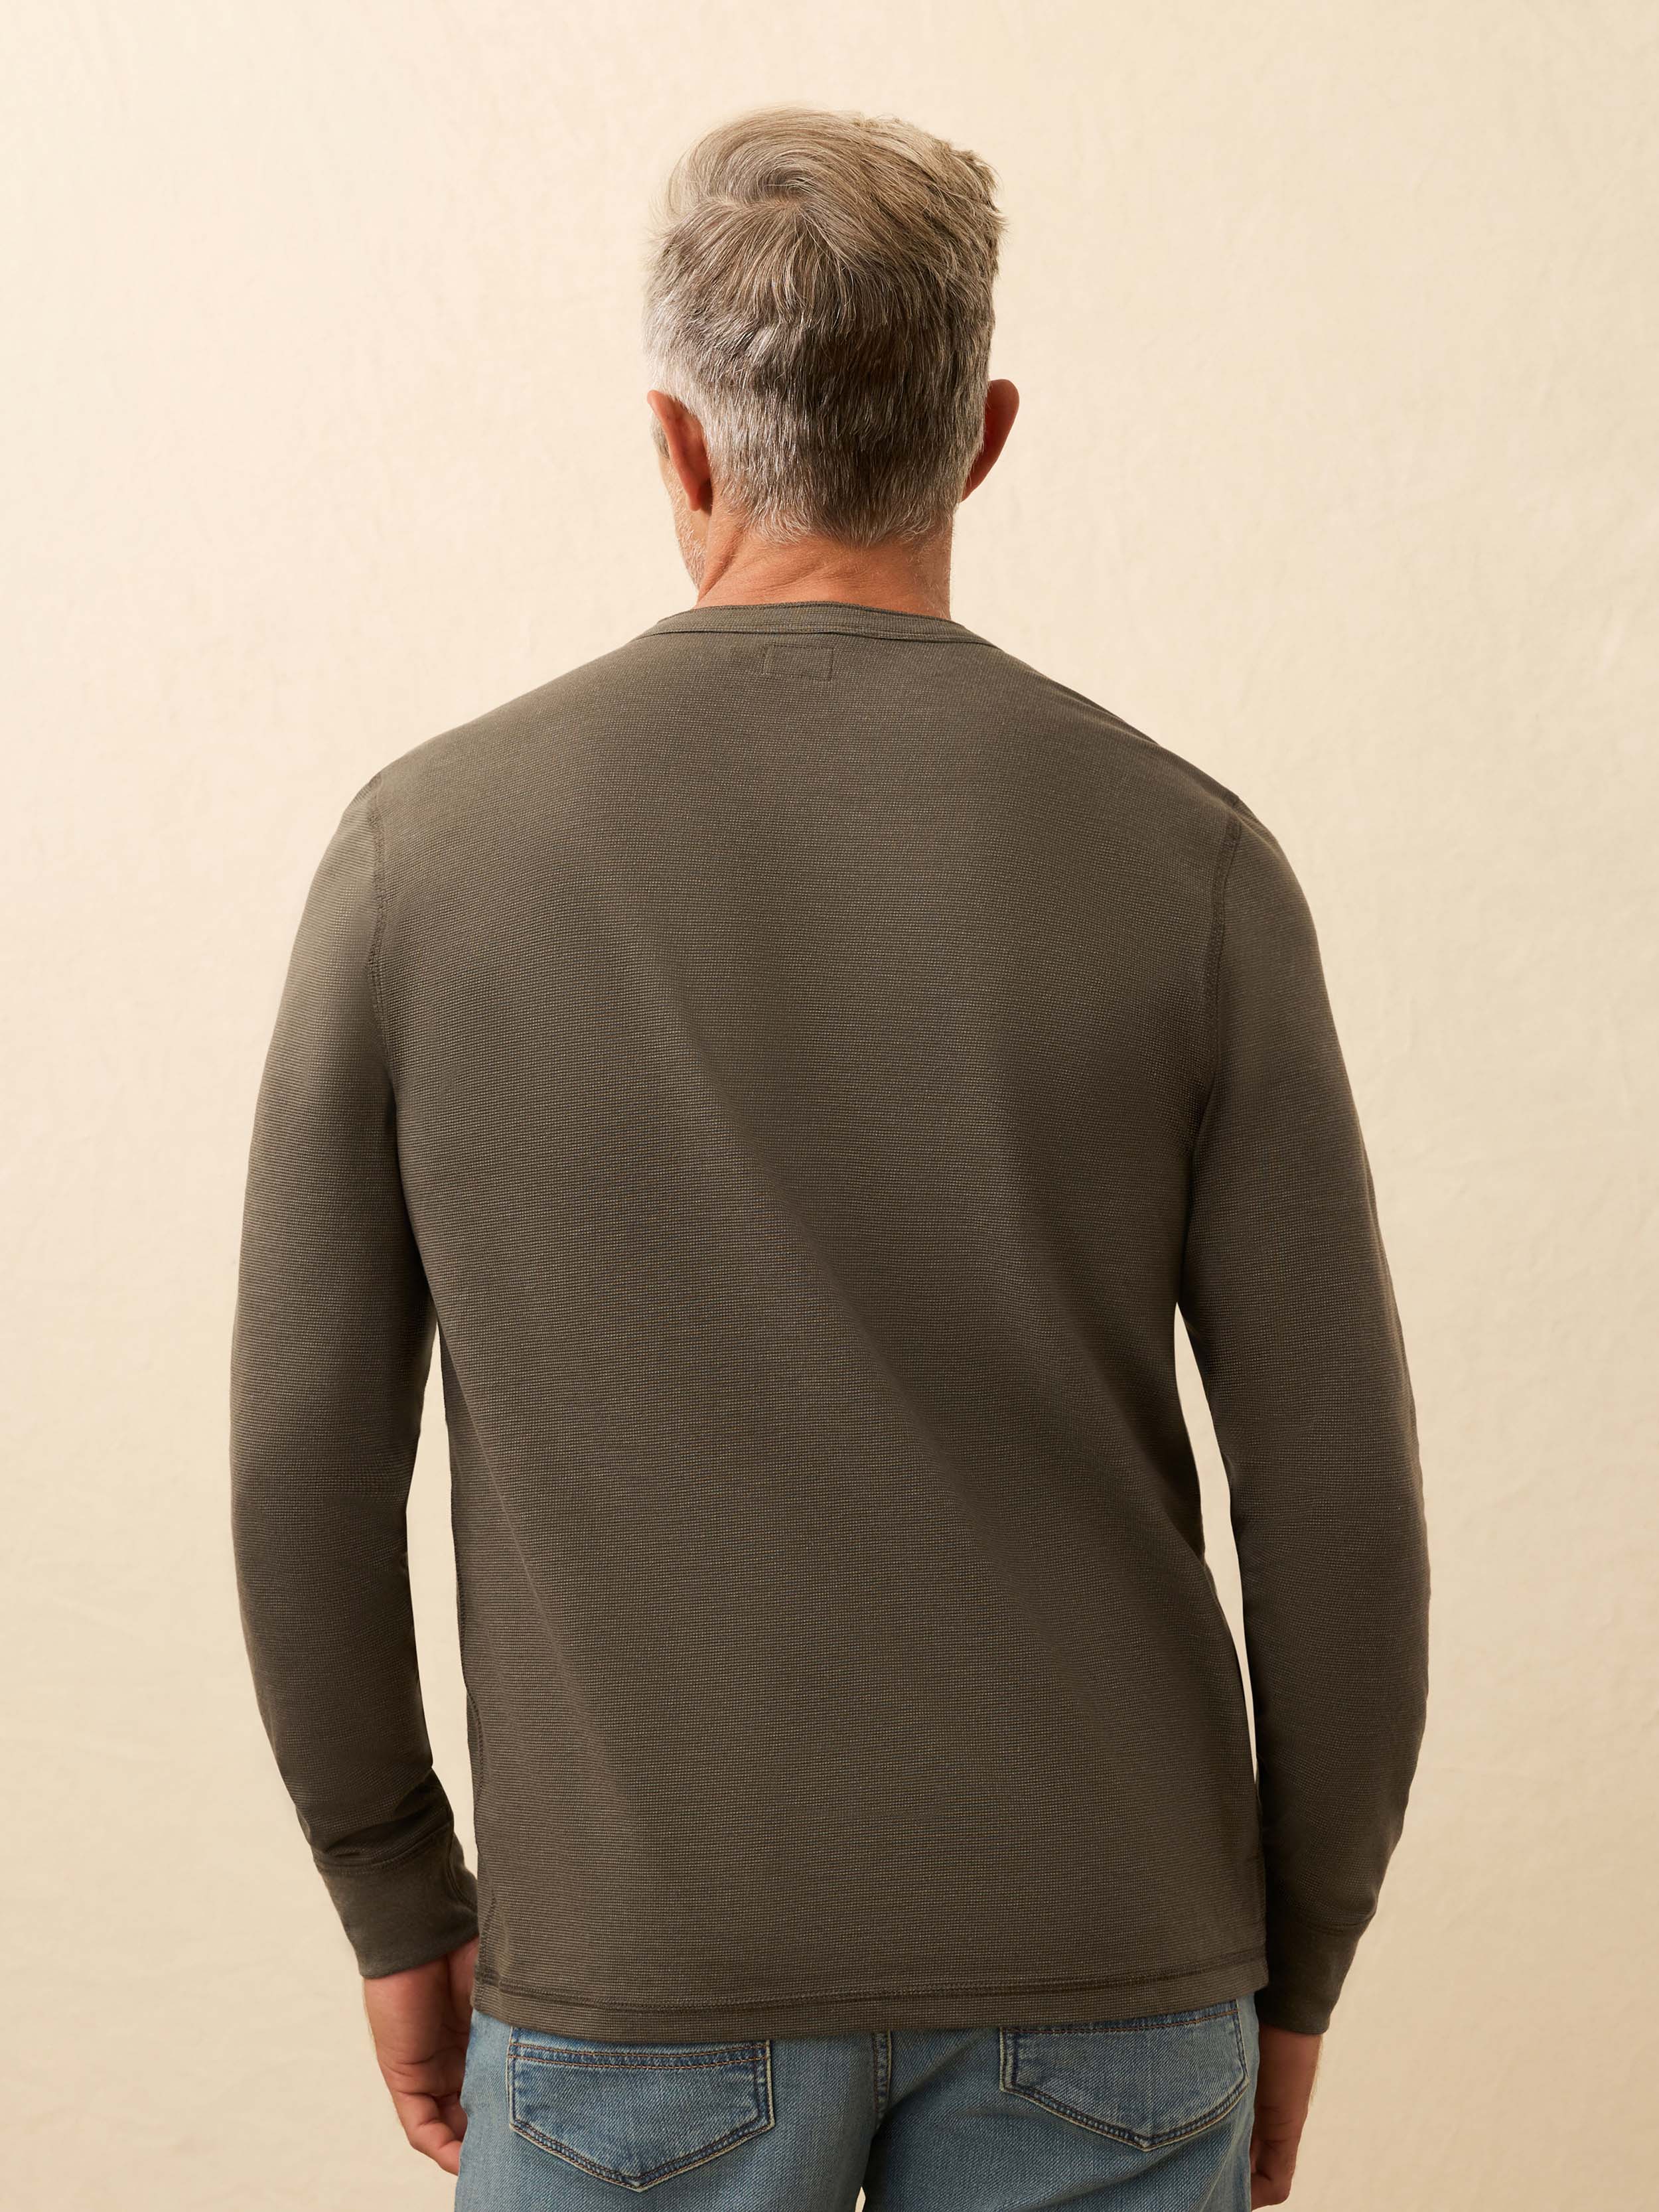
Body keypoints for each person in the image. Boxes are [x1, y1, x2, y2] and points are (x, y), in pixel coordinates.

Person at [229, 103, 1429, 2211]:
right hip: (1114, 1975)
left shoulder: (424, 858)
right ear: (978, 433)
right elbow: (1335, 1505)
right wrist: (1297, 1968)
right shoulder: (1191, 865)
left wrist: (394, 1899)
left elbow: (299, 1458)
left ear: (680, 450)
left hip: (634, 1980)